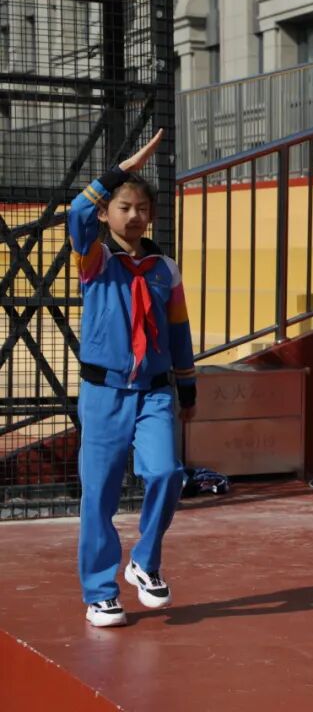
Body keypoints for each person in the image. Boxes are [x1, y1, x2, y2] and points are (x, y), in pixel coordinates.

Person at [71, 129, 197, 627]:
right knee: (99, 495)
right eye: (124, 207)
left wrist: (187, 385)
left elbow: (179, 331)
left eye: (142, 208)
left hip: (154, 392)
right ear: (106, 214)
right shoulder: (95, 259)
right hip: (104, 392)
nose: (134, 215)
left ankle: (144, 560)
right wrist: (118, 172)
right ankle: (100, 591)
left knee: (167, 472)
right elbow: (76, 213)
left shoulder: (165, 269)